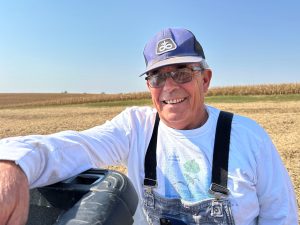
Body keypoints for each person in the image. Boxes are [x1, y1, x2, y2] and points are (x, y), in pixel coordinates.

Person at [0, 28, 298, 225]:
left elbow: (280, 216)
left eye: (181, 72)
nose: (169, 86)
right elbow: (77, 146)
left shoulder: (248, 137)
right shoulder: (137, 127)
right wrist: (15, 163)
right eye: (157, 76)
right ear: (148, 86)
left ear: (205, 79)